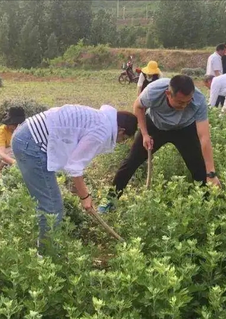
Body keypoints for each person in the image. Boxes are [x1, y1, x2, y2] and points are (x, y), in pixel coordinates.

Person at [11, 104, 138, 252]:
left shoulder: (101, 120)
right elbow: (75, 165)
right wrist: (85, 196)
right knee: (51, 206)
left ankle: (47, 250)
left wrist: (76, 185)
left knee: (50, 203)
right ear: (121, 130)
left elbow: (72, 150)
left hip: (27, 135)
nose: (121, 142)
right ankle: (46, 257)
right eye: (124, 138)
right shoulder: (102, 131)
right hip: (31, 143)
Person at [99, 75, 222, 213]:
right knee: (131, 162)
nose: (184, 106)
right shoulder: (154, 91)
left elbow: (204, 137)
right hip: (155, 126)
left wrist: (211, 173)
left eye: (188, 102)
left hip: (184, 129)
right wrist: (145, 134)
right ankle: (110, 201)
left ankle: (207, 206)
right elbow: (138, 106)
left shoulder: (198, 100)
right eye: (180, 102)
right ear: (168, 94)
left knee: (199, 167)